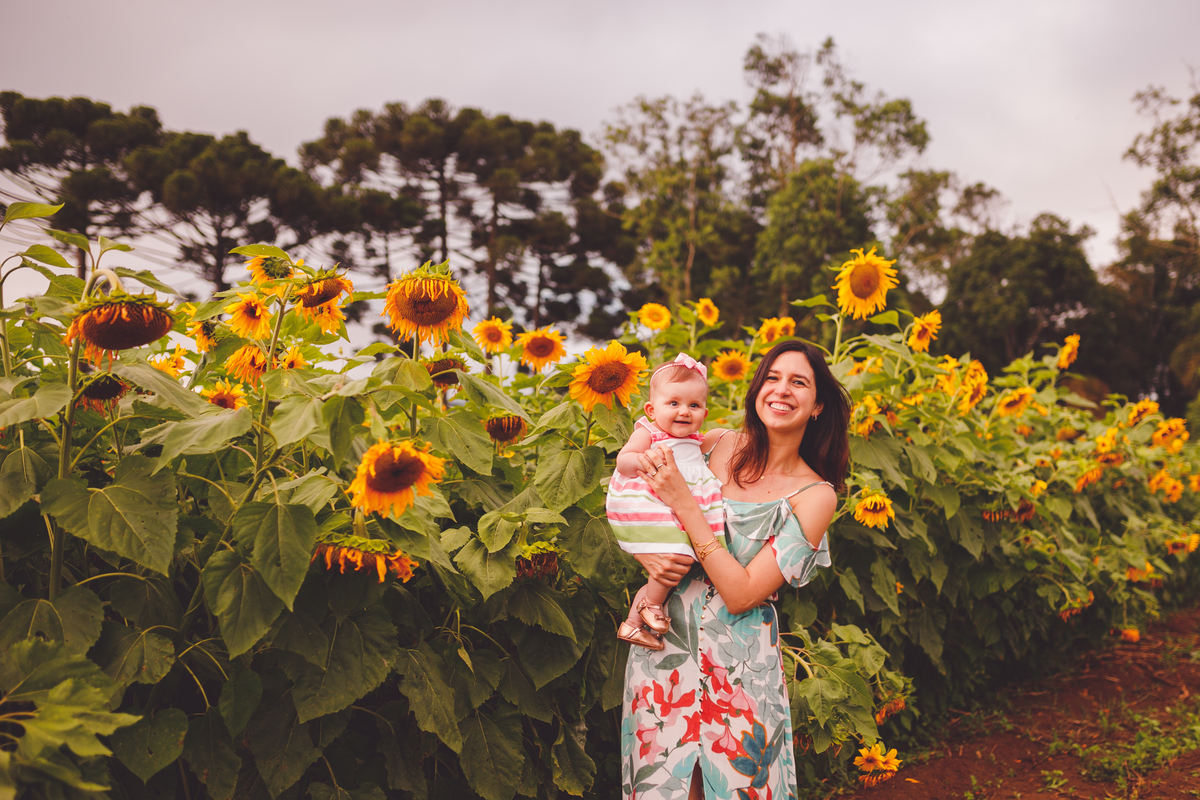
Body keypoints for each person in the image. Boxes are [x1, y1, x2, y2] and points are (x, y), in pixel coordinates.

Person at [620, 340, 851, 800]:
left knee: (734, 788)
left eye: (798, 382)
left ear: (818, 404)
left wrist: (685, 503)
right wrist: (644, 554)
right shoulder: (714, 443)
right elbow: (635, 483)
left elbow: (742, 593)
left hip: (740, 669)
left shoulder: (815, 496)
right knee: (663, 788)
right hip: (664, 647)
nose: (781, 390)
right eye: (772, 377)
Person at [608, 353, 725, 650]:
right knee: (678, 556)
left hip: (677, 504)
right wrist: (648, 459)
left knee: (679, 559)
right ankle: (653, 607)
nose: (684, 411)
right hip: (649, 501)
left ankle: (633, 625)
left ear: (704, 412)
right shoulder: (649, 433)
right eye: (673, 403)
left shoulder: (698, 441)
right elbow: (623, 462)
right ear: (651, 409)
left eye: (694, 405)